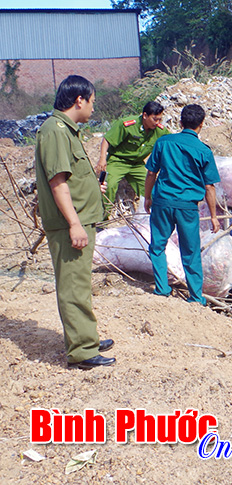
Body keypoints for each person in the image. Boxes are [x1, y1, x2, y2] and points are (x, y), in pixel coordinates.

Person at [34, 75, 115, 369]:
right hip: (71, 225)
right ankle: (82, 350)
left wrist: (93, 185)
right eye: (92, 102)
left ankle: (86, 337)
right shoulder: (55, 131)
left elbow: (71, 177)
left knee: (80, 283)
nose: (93, 108)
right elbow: (58, 183)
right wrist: (74, 224)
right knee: (73, 286)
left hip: (80, 220)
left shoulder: (68, 131)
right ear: (79, 100)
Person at [144, 104, 220, 305]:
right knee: (190, 252)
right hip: (187, 207)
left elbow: (151, 172)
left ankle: (162, 289)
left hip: (163, 202)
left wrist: (147, 197)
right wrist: (213, 216)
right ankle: (196, 297)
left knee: (157, 246)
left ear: (180, 122)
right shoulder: (203, 150)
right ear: (201, 125)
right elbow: (209, 187)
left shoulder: (164, 142)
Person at [96, 101, 169, 219]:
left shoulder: (159, 130)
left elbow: (170, 141)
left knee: (150, 188)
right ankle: (102, 219)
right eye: (155, 119)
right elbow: (107, 140)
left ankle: (152, 218)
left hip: (137, 164)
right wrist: (102, 159)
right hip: (118, 161)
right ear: (145, 115)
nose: (157, 122)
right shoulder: (127, 125)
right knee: (109, 185)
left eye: (160, 119)